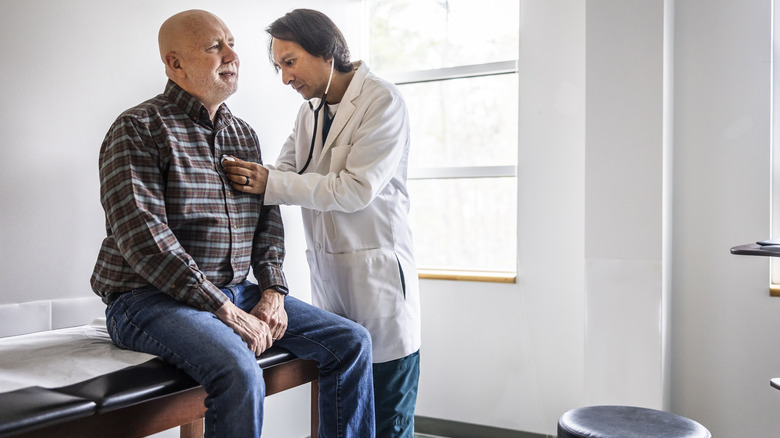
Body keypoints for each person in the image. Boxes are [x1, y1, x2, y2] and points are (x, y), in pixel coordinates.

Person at [90, 9, 375, 438]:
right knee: (239, 369)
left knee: (352, 343)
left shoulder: (242, 134)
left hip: (234, 290)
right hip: (146, 299)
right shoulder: (138, 129)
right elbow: (145, 238)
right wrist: (223, 309)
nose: (231, 55)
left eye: (231, 44)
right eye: (213, 47)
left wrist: (273, 292)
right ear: (175, 63)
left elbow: (267, 221)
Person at [222, 9, 421, 437]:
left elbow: (354, 189)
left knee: (385, 418)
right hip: (331, 278)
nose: (284, 78)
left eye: (290, 62)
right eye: (278, 67)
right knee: (343, 408)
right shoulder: (309, 112)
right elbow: (284, 172)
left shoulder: (382, 101)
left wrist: (269, 182)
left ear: (327, 50)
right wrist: (238, 177)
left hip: (378, 283)